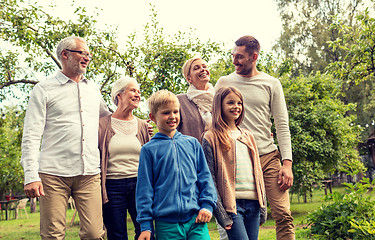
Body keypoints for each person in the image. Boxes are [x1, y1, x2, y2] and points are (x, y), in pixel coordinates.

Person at [20, 36, 109, 239]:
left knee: (95, 233)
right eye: (83, 53)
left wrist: (136, 124)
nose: (87, 58)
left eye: (89, 54)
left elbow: (107, 119)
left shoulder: (93, 89)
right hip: (53, 174)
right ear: (65, 54)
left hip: (89, 173)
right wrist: (31, 175)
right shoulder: (43, 89)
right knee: (52, 235)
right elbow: (32, 134)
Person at [215, 35, 295, 240]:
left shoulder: (271, 83)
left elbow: (282, 125)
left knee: (283, 214)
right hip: (236, 159)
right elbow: (213, 117)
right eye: (233, 56)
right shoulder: (224, 82)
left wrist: (287, 164)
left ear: (254, 57)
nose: (234, 61)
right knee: (234, 214)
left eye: (240, 57)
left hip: (267, 156)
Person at [136, 90, 217, 240]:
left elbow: (205, 178)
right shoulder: (148, 150)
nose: (172, 116)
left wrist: (207, 205)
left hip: (196, 220)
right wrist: (146, 225)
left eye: (175, 111)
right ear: (152, 117)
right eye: (166, 112)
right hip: (166, 224)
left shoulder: (192, 143)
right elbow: (144, 190)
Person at [202, 87, 266, 240]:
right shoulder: (211, 137)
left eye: (239, 103)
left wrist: (263, 206)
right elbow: (209, 178)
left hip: (254, 204)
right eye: (230, 103)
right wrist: (221, 213)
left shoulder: (248, 136)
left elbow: (258, 173)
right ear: (219, 106)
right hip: (232, 206)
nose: (236, 106)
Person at [98, 77, 154, 240]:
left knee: (146, 232)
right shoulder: (102, 124)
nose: (137, 94)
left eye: (138, 91)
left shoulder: (143, 125)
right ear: (119, 95)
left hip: (140, 185)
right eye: (133, 90)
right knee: (117, 234)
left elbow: (148, 157)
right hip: (112, 186)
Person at [177, 57, 215, 143]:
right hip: (191, 154)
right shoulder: (180, 101)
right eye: (196, 68)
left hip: (218, 154)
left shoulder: (218, 99)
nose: (203, 69)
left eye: (204, 66)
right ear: (189, 79)